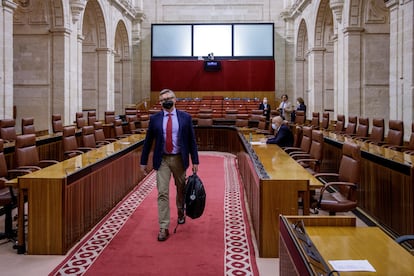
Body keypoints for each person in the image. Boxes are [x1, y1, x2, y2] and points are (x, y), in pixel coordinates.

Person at [140, 89, 199, 242]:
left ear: (175, 99)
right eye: (163, 99)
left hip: (180, 159)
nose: (166, 101)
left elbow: (192, 141)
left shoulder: (185, 117)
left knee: (181, 189)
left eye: (168, 98)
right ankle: (163, 227)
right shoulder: (155, 119)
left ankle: (180, 211)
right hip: (163, 160)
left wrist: (195, 161)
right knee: (162, 193)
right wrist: (143, 161)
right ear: (160, 103)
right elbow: (148, 142)